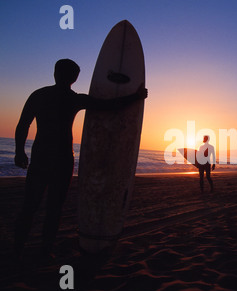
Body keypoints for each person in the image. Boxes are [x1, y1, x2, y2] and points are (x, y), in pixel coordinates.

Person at [14, 59, 148, 259]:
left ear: (54, 73)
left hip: (41, 157)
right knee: (54, 208)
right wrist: (135, 97)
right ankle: (45, 251)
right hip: (62, 159)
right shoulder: (74, 99)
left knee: (29, 205)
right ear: (74, 78)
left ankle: (18, 248)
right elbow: (109, 106)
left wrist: (19, 151)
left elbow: (23, 124)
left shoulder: (39, 95)